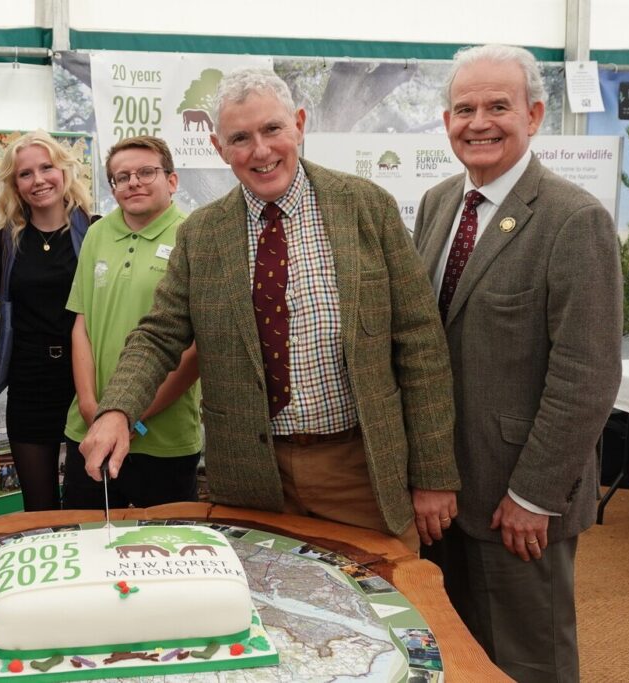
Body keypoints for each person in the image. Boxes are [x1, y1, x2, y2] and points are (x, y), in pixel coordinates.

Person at [80, 68, 460, 550]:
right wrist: (117, 409)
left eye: (272, 129)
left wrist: (433, 474)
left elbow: (421, 343)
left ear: (299, 125)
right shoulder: (203, 234)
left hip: (360, 470)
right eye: (240, 138)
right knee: (264, 614)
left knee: (386, 606)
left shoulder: (367, 208)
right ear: (220, 149)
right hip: (252, 478)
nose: (260, 151)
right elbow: (159, 334)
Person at [412, 44, 622, 682]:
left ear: (533, 114)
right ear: (446, 121)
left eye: (497, 106)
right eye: (463, 108)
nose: (479, 121)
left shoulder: (573, 218)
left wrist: (533, 495)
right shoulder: (438, 203)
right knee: (454, 652)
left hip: (519, 499)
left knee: (528, 662)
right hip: (443, 491)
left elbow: (586, 376)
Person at [62, 136, 202, 508]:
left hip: (163, 439)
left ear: (171, 181)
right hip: (87, 432)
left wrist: (127, 414)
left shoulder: (196, 237)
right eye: (122, 177)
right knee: (86, 548)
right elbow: (82, 326)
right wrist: (95, 409)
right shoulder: (96, 234)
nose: (133, 182)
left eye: (145, 172)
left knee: (165, 555)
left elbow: (196, 349)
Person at [0, 131, 96, 511]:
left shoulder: (96, 232)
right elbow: (6, 315)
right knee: (39, 508)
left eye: (46, 167)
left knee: (90, 502)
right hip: (30, 384)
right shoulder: (6, 242)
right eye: (25, 173)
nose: (39, 180)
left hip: (85, 379)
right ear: (14, 184)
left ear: (64, 170)